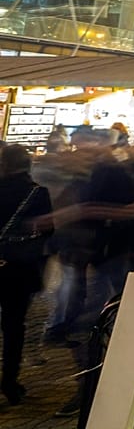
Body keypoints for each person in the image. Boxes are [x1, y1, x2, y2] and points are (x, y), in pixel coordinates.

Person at [0, 145, 52, 405]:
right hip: (19, 268)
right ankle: (9, 381)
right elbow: (48, 230)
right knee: (13, 326)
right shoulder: (38, 193)